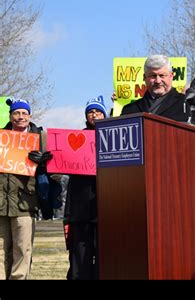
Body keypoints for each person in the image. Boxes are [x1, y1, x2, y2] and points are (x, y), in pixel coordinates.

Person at [0, 98, 52, 280]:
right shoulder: (1, 136)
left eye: (24, 113)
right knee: (0, 252)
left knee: (22, 250)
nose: (20, 117)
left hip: (25, 203)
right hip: (1, 203)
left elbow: (56, 171)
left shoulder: (41, 137)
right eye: (16, 113)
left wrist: (44, 163)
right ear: (10, 115)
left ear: (30, 116)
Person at [63, 96, 107, 280]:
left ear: (105, 114)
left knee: (104, 253)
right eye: (90, 111)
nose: (94, 114)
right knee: (81, 254)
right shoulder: (76, 138)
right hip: (81, 208)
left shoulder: (113, 136)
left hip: (105, 204)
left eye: (98, 111)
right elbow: (61, 163)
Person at [121, 54, 190, 122]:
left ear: (171, 76)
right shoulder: (129, 111)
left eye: (162, 75)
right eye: (153, 76)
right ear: (144, 77)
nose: (158, 81)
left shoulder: (186, 105)